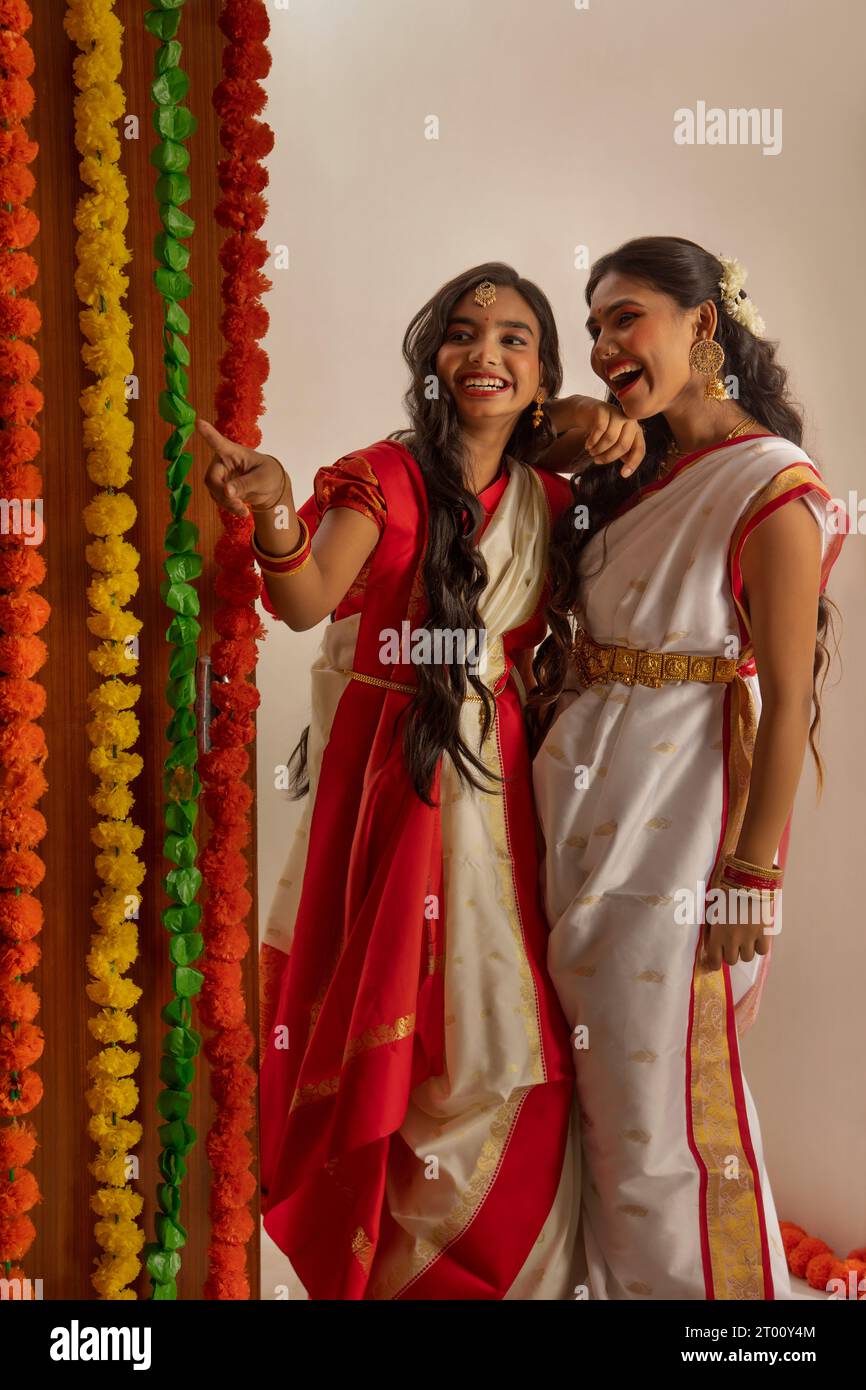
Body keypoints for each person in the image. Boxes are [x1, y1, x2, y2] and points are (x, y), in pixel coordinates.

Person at [198, 262, 643, 1300]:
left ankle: (495, 1275)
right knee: (396, 1032)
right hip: (395, 789)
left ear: (541, 376)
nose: (482, 352)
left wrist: (594, 423)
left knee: (505, 1030)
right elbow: (305, 597)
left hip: (506, 799)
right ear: (430, 360)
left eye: (513, 339)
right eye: (461, 332)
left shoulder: (548, 497)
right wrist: (270, 509)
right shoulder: (382, 477)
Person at [530, 236, 848, 1301]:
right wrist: (573, 431)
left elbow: (790, 693)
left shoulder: (771, 485)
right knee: (601, 1108)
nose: (604, 344)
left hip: (681, 823)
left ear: (700, 327)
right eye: (593, 327)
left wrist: (750, 874)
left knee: (662, 1108)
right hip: (582, 799)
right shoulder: (634, 471)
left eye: (627, 317)